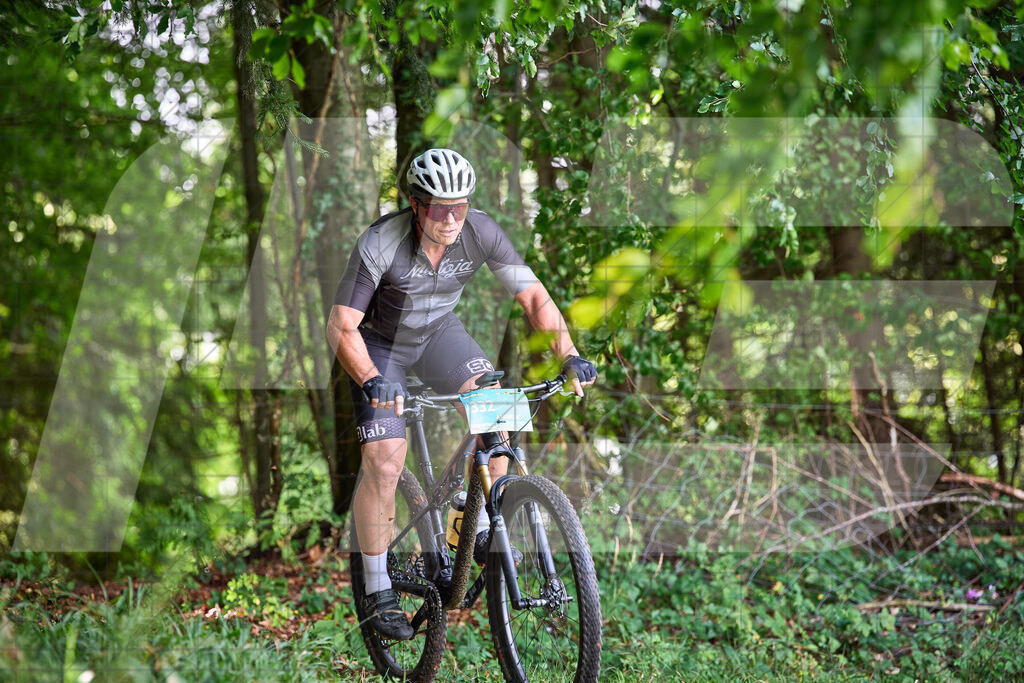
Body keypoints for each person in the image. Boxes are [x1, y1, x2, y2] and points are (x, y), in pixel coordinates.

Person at [326, 148, 597, 640]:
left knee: (497, 417)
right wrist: (371, 379)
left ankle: (476, 533)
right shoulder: (380, 243)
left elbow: (533, 296)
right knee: (385, 459)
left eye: (460, 206)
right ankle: (377, 583)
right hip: (380, 347)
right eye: (438, 208)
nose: (451, 219)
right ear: (415, 204)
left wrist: (569, 353)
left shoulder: (481, 232)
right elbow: (342, 326)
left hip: (438, 335)